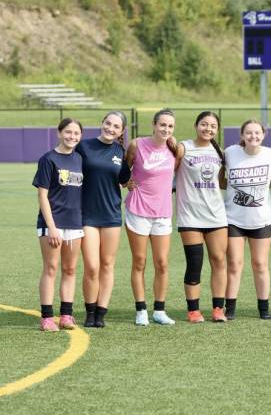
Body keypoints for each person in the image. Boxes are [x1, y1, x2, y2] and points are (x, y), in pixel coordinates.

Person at [124, 109, 177, 326]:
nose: (166, 129)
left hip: (163, 213)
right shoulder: (137, 145)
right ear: (154, 124)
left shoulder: (175, 148)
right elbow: (121, 170)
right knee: (140, 261)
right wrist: (126, 182)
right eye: (162, 124)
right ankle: (141, 310)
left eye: (170, 126)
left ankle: (159, 310)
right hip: (138, 210)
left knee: (162, 263)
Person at [77, 111, 130, 328]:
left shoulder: (121, 152)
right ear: (102, 123)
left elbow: (126, 179)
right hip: (87, 215)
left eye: (116, 126)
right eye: (108, 123)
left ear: (121, 131)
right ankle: (90, 312)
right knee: (91, 266)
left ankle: (101, 313)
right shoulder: (84, 147)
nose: (110, 128)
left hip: (111, 215)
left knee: (107, 265)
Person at [175, 111, 228, 323]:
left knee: (218, 261)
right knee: (195, 263)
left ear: (217, 130)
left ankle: (218, 309)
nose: (208, 129)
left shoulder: (220, 153)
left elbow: (223, 183)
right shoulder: (184, 147)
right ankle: (193, 311)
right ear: (196, 125)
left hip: (216, 216)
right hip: (190, 217)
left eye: (213, 126)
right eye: (204, 124)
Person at [224, 120, 271, 320]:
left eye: (257, 133)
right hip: (233, 219)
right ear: (242, 135)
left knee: (260, 264)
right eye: (248, 133)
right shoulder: (230, 153)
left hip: (261, 220)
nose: (253, 136)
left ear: (263, 135)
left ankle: (264, 309)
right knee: (234, 264)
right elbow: (221, 177)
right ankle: (229, 309)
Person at [33, 118, 84, 331]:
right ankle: (46, 317)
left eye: (76, 133)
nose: (72, 136)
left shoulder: (80, 159)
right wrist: (52, 227)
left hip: (75, 223)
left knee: (70, 269)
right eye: (68, 132)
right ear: (59, 133)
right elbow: (42, 196)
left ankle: (66, 315)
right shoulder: (48, 159)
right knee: (51, 268)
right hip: (52, 223)